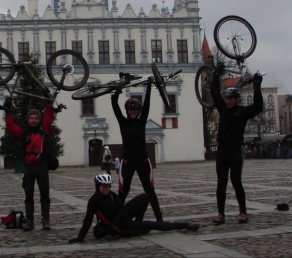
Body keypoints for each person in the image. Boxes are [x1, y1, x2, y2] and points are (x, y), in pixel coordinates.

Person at [68, 173, 199, 243]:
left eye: (108, 186)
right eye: (103, 186)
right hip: (120, 224)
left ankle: (185, 225)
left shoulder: (112, 195)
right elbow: (88, 219)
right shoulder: (94, 200)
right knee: (153, 225)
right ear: (97, 186)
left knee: (145, 196)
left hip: (121, 219)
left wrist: (116, 222)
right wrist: (80, 237)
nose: (106, 188)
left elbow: (122, 209)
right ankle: (185, 225)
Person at [210, 66, 263, 225]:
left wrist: (257, 87)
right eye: (227, 99)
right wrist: (216, 74)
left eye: (231, 99)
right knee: (221, 183)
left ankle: (243, 212)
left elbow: (258, 106)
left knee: (236, 181)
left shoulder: (242, 111)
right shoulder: (223, 108)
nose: (228, 101)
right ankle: (220, 214)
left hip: (235, 150)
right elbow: (214, 92)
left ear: (237, 99)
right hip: (223, 150)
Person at [0, 93, 54, 231]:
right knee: (28, 194)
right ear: (28, 120)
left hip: (41, 165)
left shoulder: (43, 131)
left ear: (38, 120)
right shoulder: (24, 133)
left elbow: (48, 117)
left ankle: (45, 220)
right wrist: (8, 111)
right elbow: (11, 126)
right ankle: (30, 221)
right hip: (29, 165)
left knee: (44, 193)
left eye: (36, 118)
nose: (33, 120)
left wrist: (48, 102)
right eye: (31, 118)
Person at [111, 76, 163, 222]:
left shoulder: (141, 121)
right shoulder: (123, 122)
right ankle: (116, 219)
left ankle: (160, 220)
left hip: (143, 161)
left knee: (150, 191)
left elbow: (147, 104)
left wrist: (149, 87)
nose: (133, 112)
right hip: (127, 162)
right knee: (123, 192)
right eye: (130, 110)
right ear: (127, 111)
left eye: (135, 110)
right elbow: (114, 106)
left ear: (138, 111)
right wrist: (116, 91)